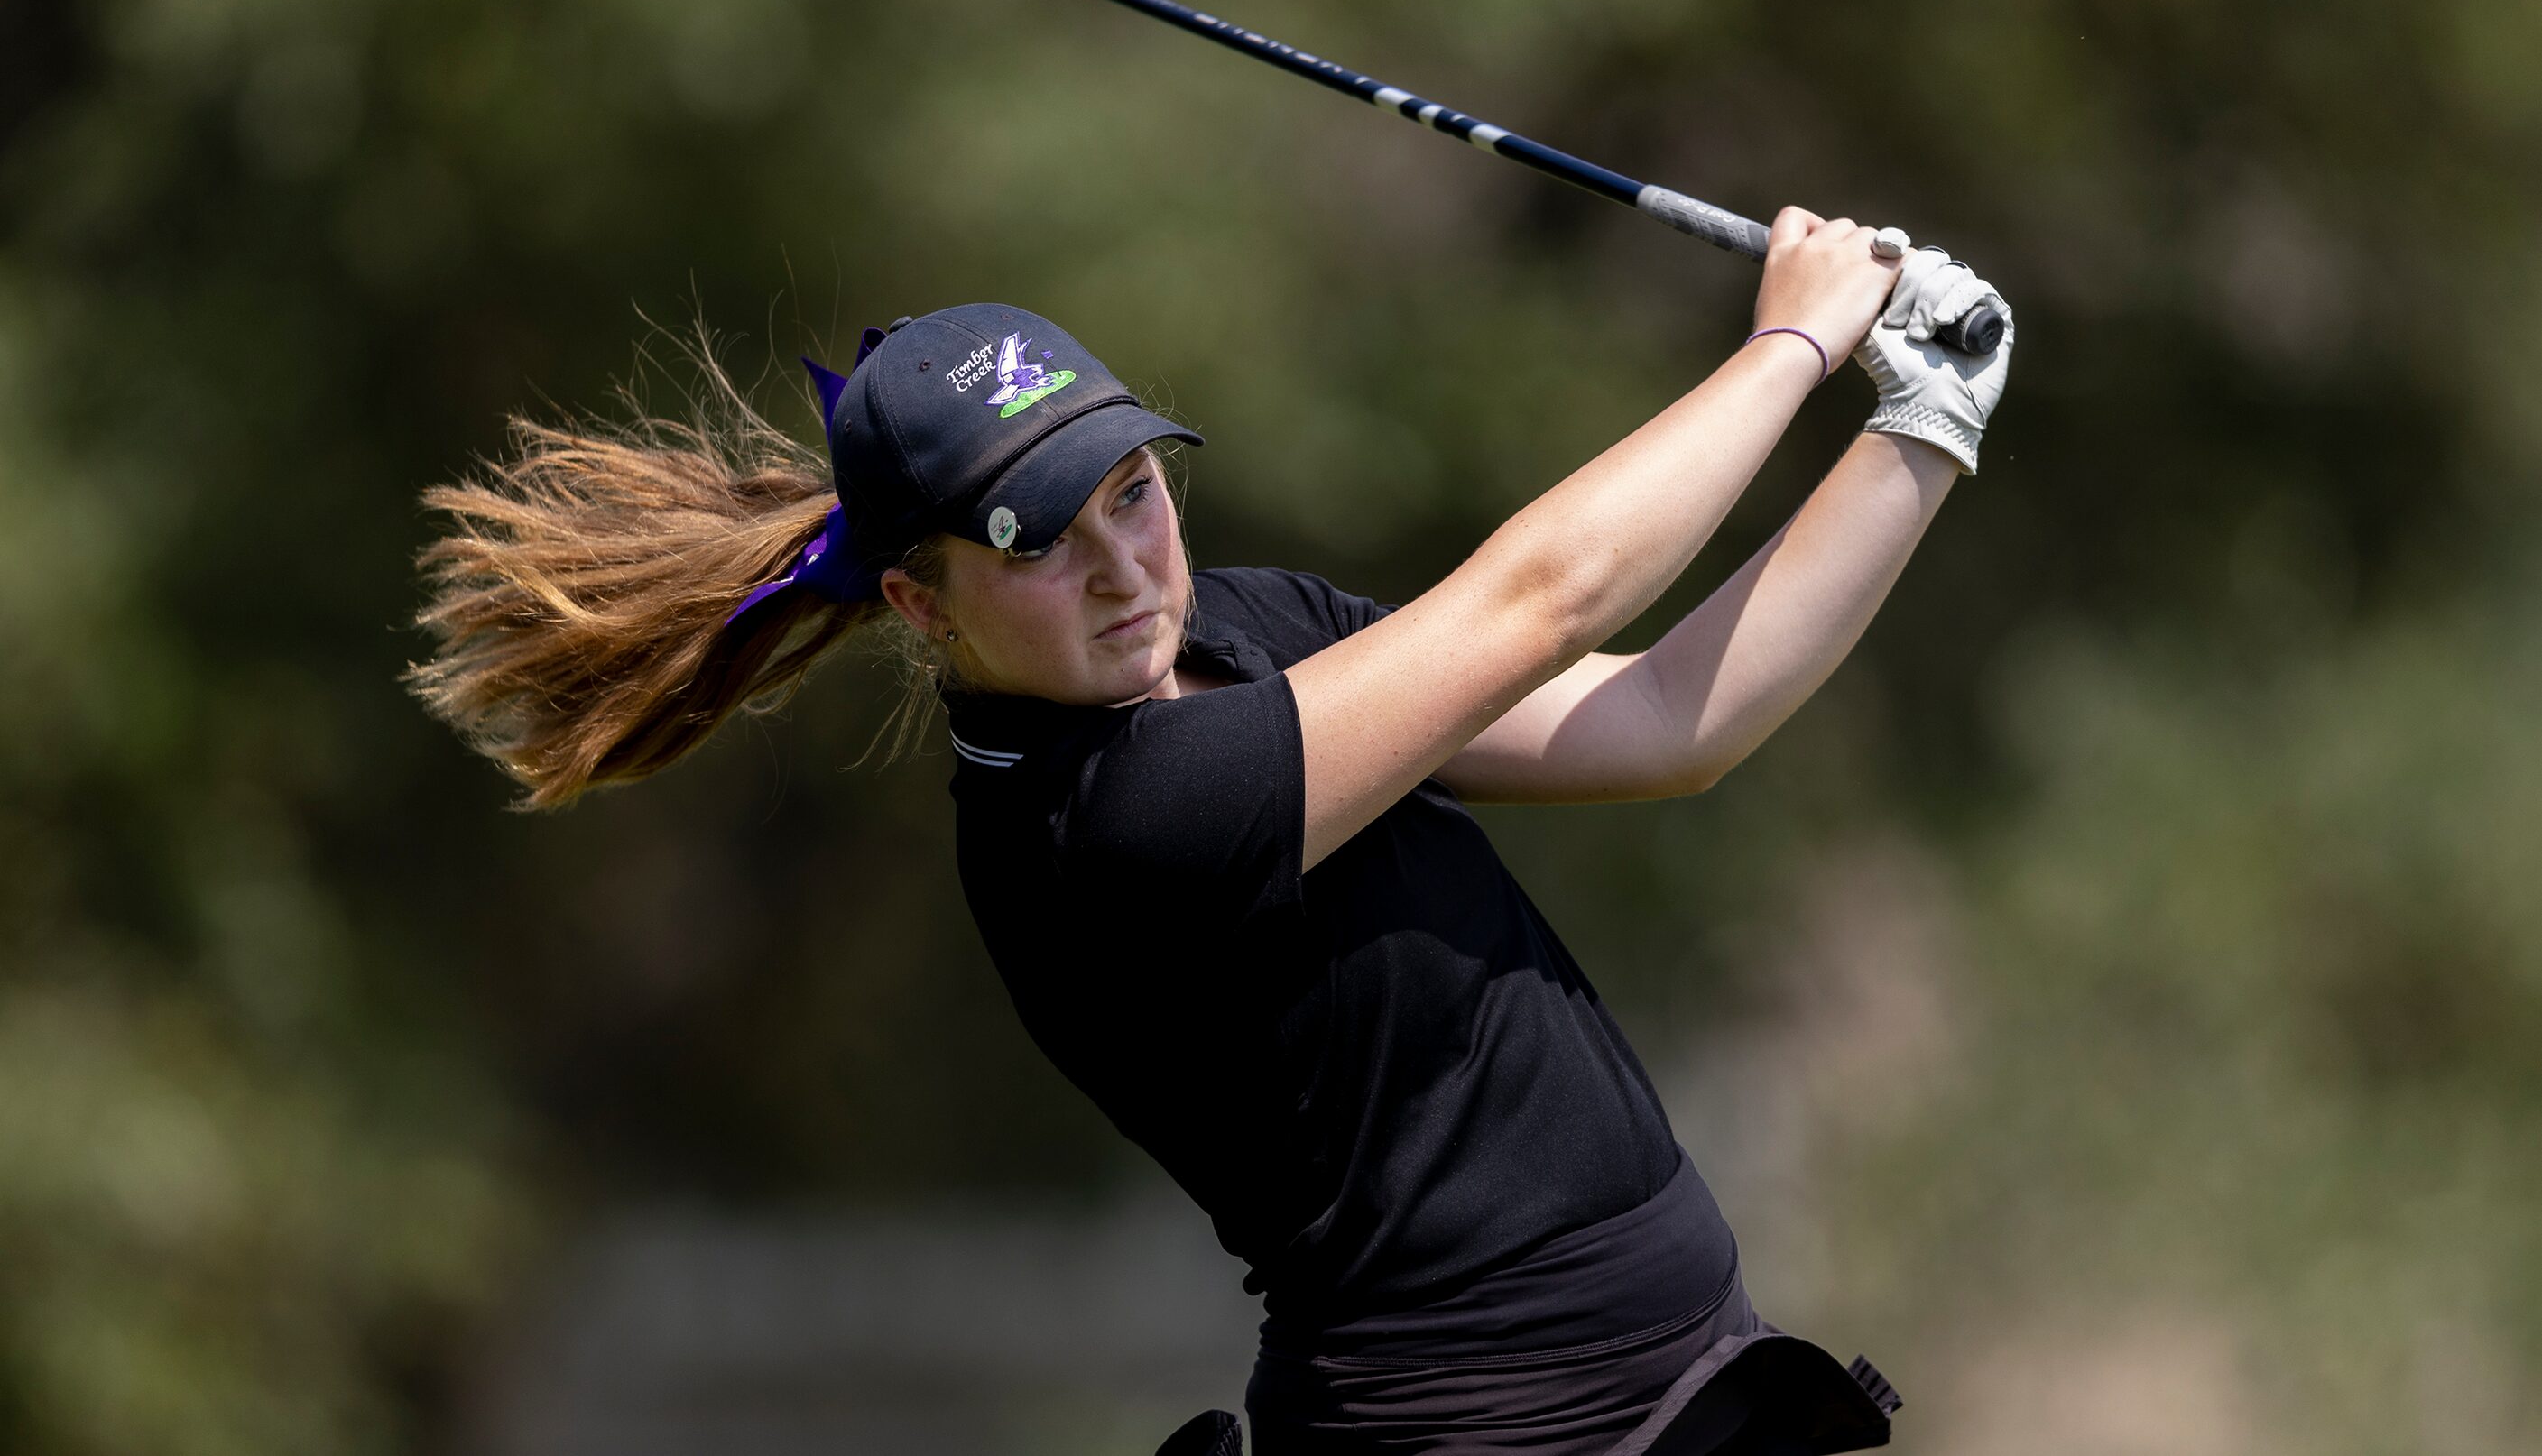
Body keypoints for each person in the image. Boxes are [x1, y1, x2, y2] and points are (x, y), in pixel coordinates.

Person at [408, 208, 2014, 1455]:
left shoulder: (1243, 627)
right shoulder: (1099, 822)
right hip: (1482, 1424)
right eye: (1040, 537)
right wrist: (1791, 348)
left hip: (1672, 1373)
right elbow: (1538, 601)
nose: (1120, 562)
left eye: (1129, 487)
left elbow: (1668, 721)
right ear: (922, 600)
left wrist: (1921, 427)